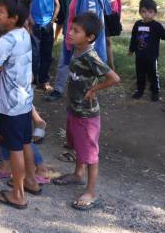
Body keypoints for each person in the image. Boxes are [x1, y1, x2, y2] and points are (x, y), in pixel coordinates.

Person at [52, 12, 120, 211]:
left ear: (90, 37)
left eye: (76, 31)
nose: (69, 33)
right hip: (74, 109)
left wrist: (94, 89)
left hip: (87, 115)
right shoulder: (78, 49)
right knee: (78, 146)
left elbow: (114, 78)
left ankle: (91, 192)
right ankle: (77, 175)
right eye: (70, 29)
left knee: (90, 154)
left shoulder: (90, 55)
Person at [0, 0, 42, 210]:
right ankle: (31, 181)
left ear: (14, 17)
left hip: (9, 104)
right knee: (25, 141)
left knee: (15, 148)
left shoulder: (7, 40)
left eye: (1, 12)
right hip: (24, 99)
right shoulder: (23, 33)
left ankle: (18, 194)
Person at [46, 0, 112, 102]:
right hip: (76, 44)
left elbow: (90, 27)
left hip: (84, 51)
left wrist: (82, 50)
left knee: (84, 95)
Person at [128, 0, 165, 101]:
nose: (147, 14)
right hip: (139, 55)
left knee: (153, 74)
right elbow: (134, 38)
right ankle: (140, 90)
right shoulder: (138, 24)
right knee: (140, 73)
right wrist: (131, 49)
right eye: (144, 11)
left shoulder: (156, 25)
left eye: (150, 12)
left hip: (152, 56)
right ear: (140, 12)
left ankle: (155, 91)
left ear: (155, 13)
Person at [24, 0, 59, 91]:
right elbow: (25, 4)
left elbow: (57, 5)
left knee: (47, 54)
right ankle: (32, 80)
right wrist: (29, 18)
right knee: (34, 54)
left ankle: (44, 81)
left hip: (48, 26)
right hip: (34, 26)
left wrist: (52, 19)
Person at [97, 0, 122, 70]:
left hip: (111, 16)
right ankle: (98, 64)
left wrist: (119, 16)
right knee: (98, 39)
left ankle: (111, 65)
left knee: (108, 41)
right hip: (99, 16)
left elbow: (119, 1)